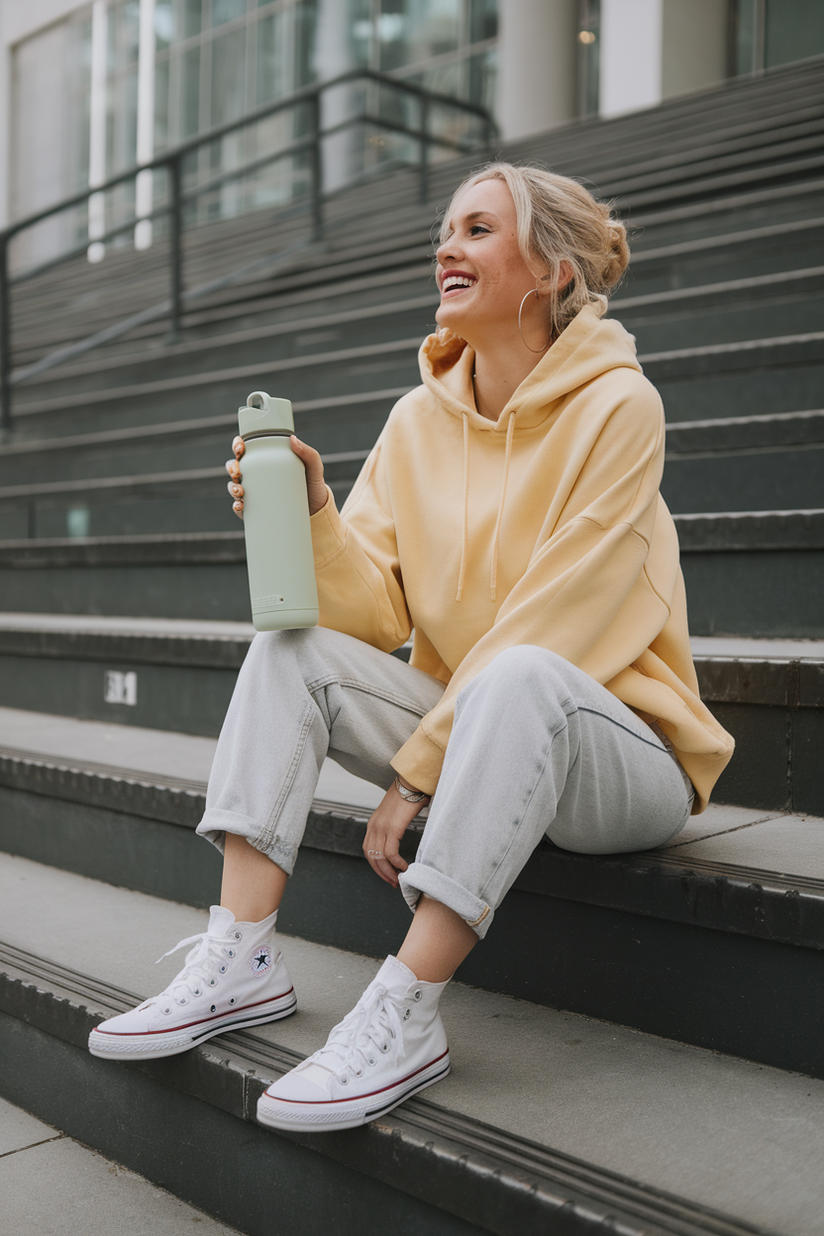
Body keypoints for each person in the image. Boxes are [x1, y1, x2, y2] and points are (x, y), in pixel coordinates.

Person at [88, 162, 734, 1132]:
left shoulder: (618, 407)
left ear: (552, 269)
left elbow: (564, 617)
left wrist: (418, 770)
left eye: (476, 229)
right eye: (445, 231)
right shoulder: (413, 421)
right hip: (476, 728)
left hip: (621, 751)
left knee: (519, 674)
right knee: (287, 651)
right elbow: (374, 609)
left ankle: (403, 1011)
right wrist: (310, 510)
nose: (446, 247)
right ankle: (242, 957)